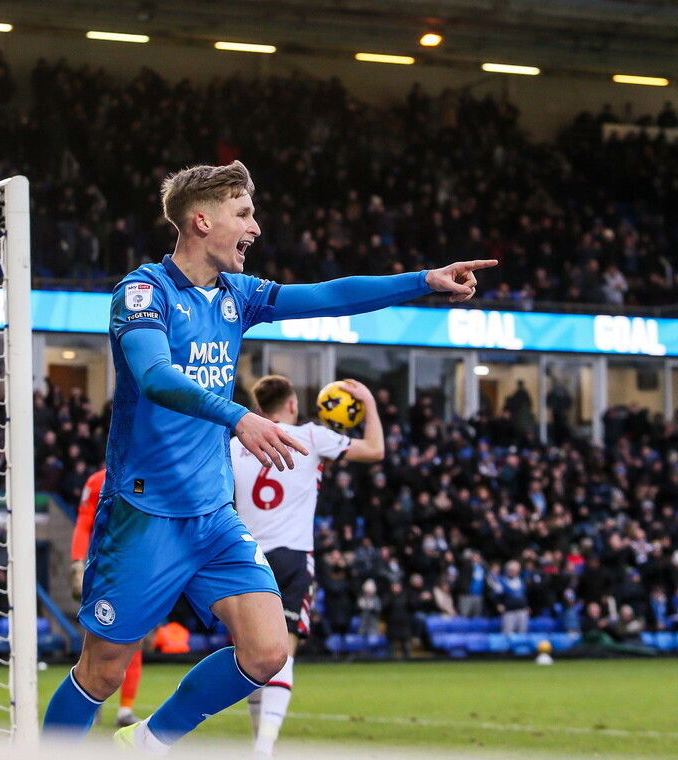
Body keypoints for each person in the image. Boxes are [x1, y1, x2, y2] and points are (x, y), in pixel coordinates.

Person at [41, 159, 496, 753]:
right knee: (101, 671)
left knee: (267, 652)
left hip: (213, 516)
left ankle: (147, 743)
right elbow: (152, 375)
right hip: (144, 515)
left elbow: (328, 296)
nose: (256, 228)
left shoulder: (238, 295)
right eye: (244, 214)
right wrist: (240, 415)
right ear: (201, 221)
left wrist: (424, 282)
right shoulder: (142, 291)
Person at [229, 374, 385, 759]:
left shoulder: (235, 444)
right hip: (293, 557)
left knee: (251, 657)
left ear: (259, 410)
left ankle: (258, 746)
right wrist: (369, 403)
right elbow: (375, 450)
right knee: (283, 651)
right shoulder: (313, 436)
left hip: (245, 558)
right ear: (294, 405)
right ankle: (265, 747)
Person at [69, 465, 143, 729]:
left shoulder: (148, 474)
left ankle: (124, 710)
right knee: (96, 637)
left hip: (138, 570)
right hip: (104, 570)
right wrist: (78, 562)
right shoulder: (97, 480)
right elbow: (83, 523)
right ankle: (91, 701)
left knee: (135, 639)